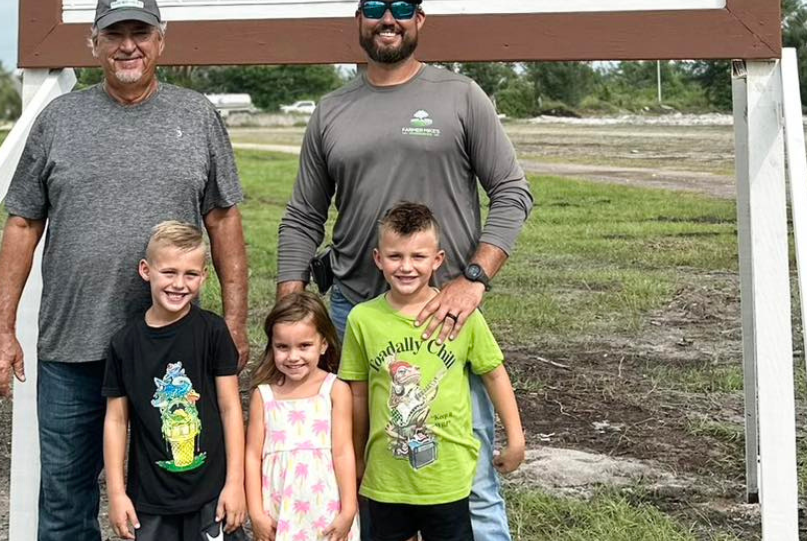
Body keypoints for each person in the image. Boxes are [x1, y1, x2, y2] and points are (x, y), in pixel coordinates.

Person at [0, 0, 249, 541]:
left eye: (140, 34)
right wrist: (0, 331)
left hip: (170, 358)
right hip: (71, 348)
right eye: (115, 35)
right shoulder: (59, 120)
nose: (129, 47)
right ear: (94, 43)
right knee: (65, 499)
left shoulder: (195, 117)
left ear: (160, 42)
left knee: (173, 499)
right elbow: (23, 224)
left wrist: (238, 323)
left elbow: (224, 222)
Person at [277, 0, 533, 540]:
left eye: (399, 9)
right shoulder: (331, 112)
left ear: (419, 20)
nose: (386, 19)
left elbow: (513, 193)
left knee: (469, 477)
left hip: (444, 316)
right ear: (359, 20)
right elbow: (303, 216)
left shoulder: (461, 96)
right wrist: (289, 301)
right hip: (354, 314)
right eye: (374, 8)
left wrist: (473, 279)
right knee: (360, 467)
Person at [339, 202, 525, 541]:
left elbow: (494, 373)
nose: (406, 267)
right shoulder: (362, 320)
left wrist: (516, 437)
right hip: (386, 481)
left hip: (448, 478)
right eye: (395, 257)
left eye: (418, 257)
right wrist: (355, 455)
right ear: (378, 259)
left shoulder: (461, 313)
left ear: (437, 260)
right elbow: (357, 394)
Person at [102, 221, 246, 541]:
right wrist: (116, 493)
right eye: (168, 272)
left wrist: (236, 483)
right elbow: (115, 420)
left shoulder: (213, 332)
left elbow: (230, 409)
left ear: (204, 275)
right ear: (145, 270)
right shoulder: (125, 344)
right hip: (150, 501)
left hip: (212, 497)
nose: (179, 284)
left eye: (190, 274)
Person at [245, 293, 359, 541]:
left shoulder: (335, 390)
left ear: (324, 344)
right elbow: (253, 457)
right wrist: (256, 513)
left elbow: (343, 452)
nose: (293, 356)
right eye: (282, 347)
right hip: (279, 511)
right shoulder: (264, 396)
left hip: (326, 511)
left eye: (304, 346)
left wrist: (349, 509)